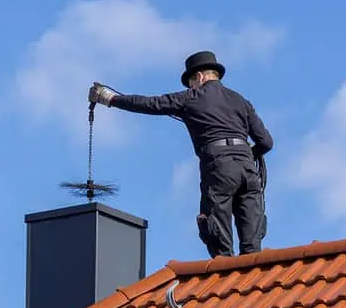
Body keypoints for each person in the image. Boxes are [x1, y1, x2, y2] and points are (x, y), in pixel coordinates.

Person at [88, 50, 274, 258]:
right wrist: (248, 152)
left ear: (200, 76)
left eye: (191, 82)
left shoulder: (191, 97)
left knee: (221, 247)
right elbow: (266, 142)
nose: (191, 87)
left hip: (219, 168)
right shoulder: (241, 101)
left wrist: (109, 98)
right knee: (253, 250)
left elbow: (150, 104)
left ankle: (226, 283)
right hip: (249, 171)